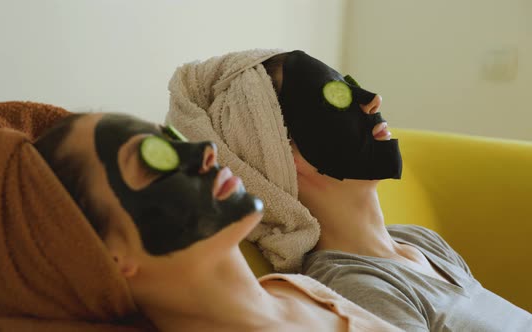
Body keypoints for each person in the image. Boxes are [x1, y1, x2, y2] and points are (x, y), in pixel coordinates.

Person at [166, 49, 532, 331]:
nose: (372, 101)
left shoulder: (422, 243)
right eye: (334, 98)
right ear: (281, 154)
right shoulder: (355, 289)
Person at [33, 111, 401, 331]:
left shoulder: (299, 290)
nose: (205, 151)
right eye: (152, 158)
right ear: (106, 255)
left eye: (171, 138)